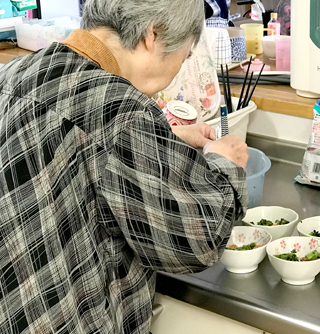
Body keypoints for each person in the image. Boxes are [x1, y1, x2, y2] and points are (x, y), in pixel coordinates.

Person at [0, 0, 249, 333]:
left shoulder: (15, 73)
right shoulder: (122, 110)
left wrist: (162, 137)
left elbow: (72, 139)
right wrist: (225, 163)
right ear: (153, 34)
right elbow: (197, 239)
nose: (181, 66)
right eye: (185, 54)